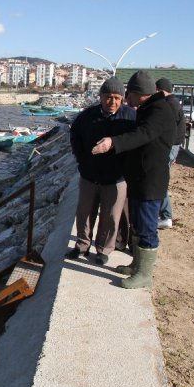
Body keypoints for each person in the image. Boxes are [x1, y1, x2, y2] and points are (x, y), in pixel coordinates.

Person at [92, 70, 176, 289]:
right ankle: (137, 265)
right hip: (139, 178)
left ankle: (145, 275)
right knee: (138, 225)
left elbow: (143, 135)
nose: (126, 99)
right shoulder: (149, 108)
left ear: (140, 93)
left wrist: (113, 142)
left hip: (151, 180)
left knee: (147, 226)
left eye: (129, 93)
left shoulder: (159, 110)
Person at [67, 77, 136, 265]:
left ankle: (104, 249)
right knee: (84, 213)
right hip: (89, 176)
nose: (112, 102)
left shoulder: (130, 117)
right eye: (108, 97)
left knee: (111, 217)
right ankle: (81, 245)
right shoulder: (87, 116)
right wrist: (81, 159)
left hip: (116, 178)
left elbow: (138, 141)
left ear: (122, 98)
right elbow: (75, 135)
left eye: (116, 98)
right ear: (100, 97)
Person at [155, 78, 186, 229]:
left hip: (169, 147)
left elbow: (167, 128)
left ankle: (166, 216)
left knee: (159, 180)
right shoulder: (173, 103)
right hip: (172, 147)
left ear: (160, 90)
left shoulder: (170, 105)